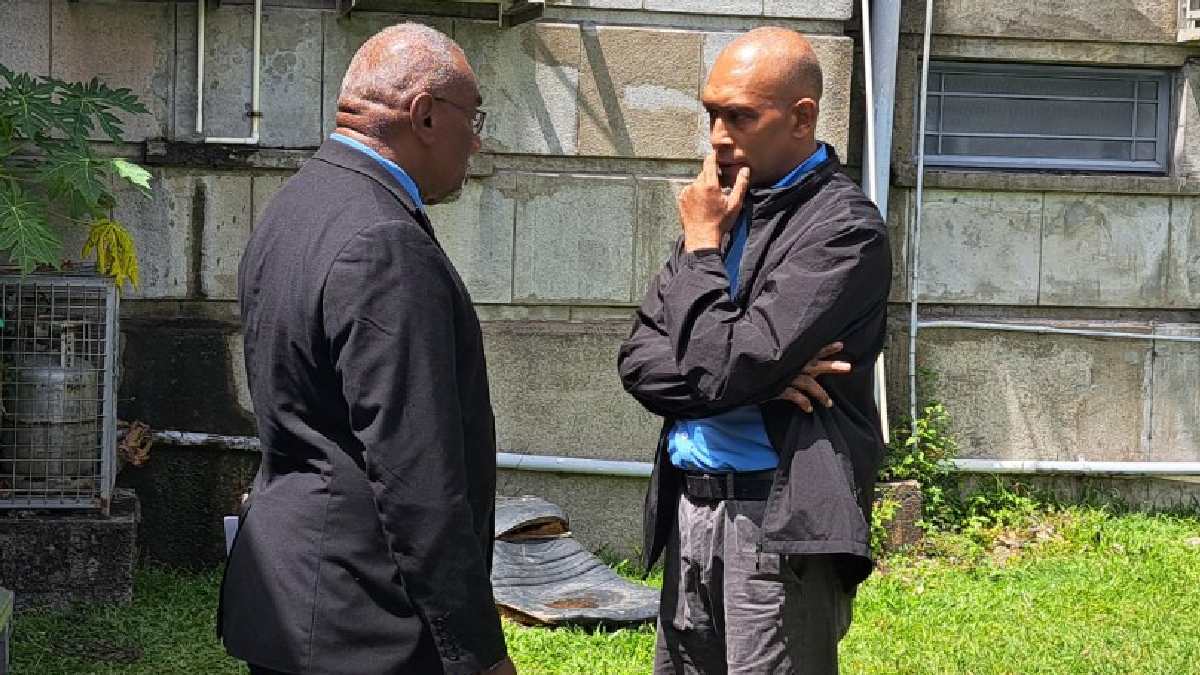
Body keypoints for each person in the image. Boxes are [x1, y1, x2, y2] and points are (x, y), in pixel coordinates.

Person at [218, 24, 516, 675]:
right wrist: (478, 652)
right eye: (474, 118)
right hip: (365, 622)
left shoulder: (298, 202)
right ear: (425, 115)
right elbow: (418, 478)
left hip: (291, 596)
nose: (477, 140)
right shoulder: (385, 241)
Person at [617, 27, 892, 674]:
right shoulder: (721, 210)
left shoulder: (843, 230)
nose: (718, 136)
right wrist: (762, 377)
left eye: (740, 116)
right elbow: (639, 360)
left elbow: (726, 367)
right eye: (711, 114)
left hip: (776, 521)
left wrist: (704, 254)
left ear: (802, 118)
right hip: (691, 507)